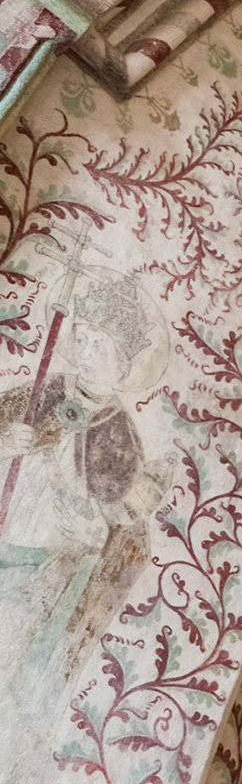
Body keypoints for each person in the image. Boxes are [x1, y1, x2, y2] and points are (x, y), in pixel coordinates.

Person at [0, 273, 161, 684]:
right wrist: (6, 443)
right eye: (82, 339)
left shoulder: (120, 433)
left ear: (123, 363)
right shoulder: (45, 389)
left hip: (43, 569)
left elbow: (122, 528)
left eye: (99, 345)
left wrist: (93, 532)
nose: (85, 353)